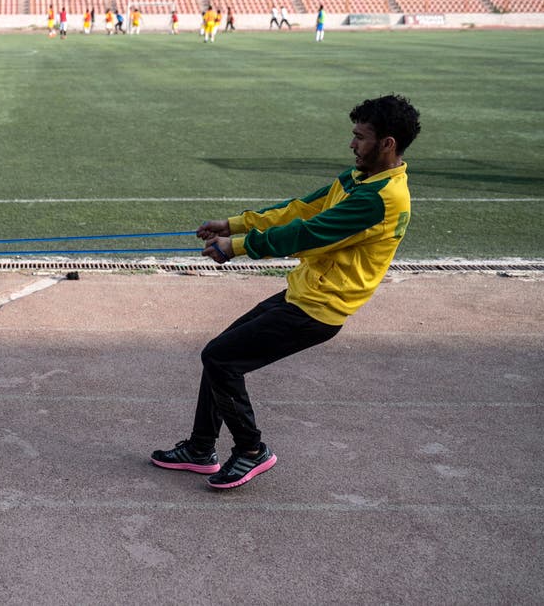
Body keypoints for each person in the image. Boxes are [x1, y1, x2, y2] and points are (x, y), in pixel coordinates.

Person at [149, 95, 420, 490]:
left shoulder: (381, 200)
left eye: (360, 138)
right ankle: (200, 448)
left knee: (221, 359)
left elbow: (308, 234)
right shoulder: (359, 179)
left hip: (318, 309)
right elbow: (300, 210)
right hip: (303, 293)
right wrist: (234, 224)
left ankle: (252, 450)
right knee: (220, 352)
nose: (352, 145)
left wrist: (238, 247)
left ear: (387, 144)